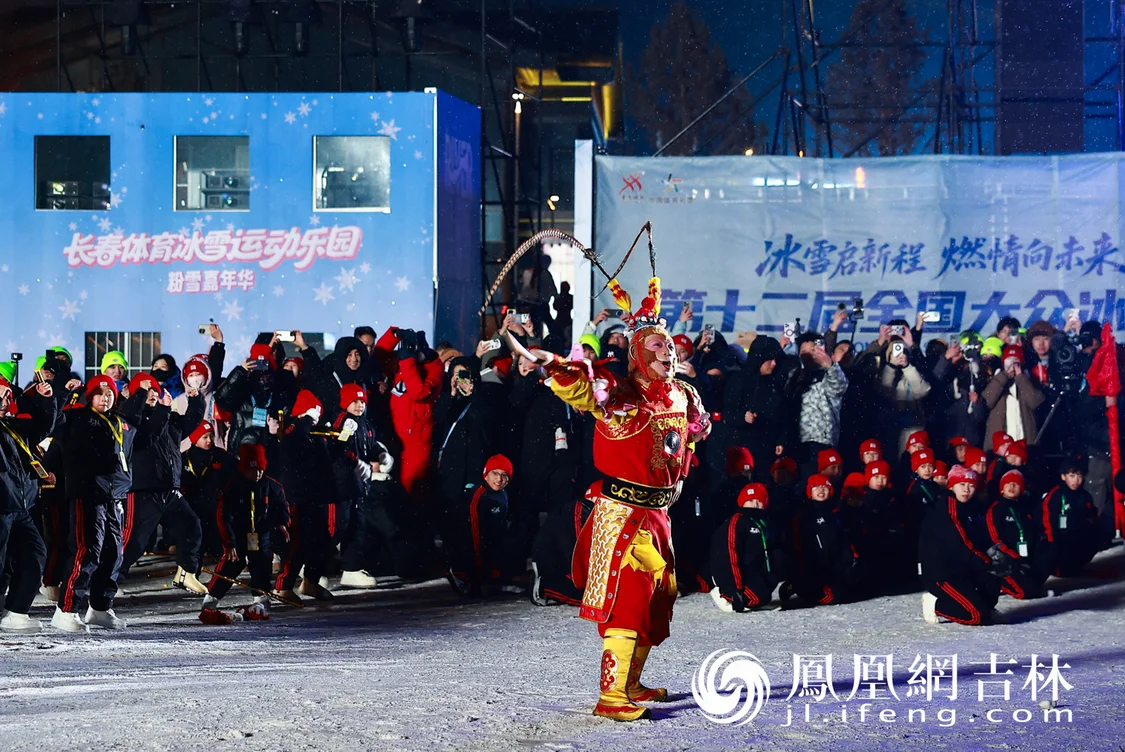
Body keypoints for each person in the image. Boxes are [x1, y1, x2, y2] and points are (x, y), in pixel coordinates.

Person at [534, 282, 710, 721]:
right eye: (657, 346)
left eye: (669, 346)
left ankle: (631, 682)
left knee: (658, 598)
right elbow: (583, 390)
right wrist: (559, 367)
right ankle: (611, 695)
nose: (668, 352)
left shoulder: (683, 393)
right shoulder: (621, 394)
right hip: (624, 514)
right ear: (637, 354)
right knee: (628, 598)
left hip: (660, 513)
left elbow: (693, 434)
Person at [53, 376, 149, 632]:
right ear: (90, 395)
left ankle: (99, 608)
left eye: (110, 394)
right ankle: (66, 610)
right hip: (87, 492)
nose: (105, 398)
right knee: (87, 551)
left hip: (114, 494)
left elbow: (144, 431)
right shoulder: (78, 418)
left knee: (113, 553)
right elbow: (53, 422)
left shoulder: (120, 421)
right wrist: (63, 393)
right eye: (100, 393)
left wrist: (143, 398)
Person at [120, 372, 207, 594]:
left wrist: (195, 399)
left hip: (169, 488)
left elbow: (191, 421)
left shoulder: (168, 416)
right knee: (133, 542)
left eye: (154, 391)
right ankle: (107, 580)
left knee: (191, 526)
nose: (152, 394)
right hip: (142, 490)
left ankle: (186, 573)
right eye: (146, 391)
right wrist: (157, 407)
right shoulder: (130, 418)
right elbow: (144, 433)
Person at [200, 444, 289, 624]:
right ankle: (212, 598)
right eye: (252, 470)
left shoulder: (272, 486)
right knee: (231, 564)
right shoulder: (234, 487)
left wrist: (281, 523)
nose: (257, 474)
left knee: (262, 563)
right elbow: (224, 516)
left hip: (260, 534)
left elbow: (281, 506)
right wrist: (229, 542)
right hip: (238, 534)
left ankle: (260, 597)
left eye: (260, 470)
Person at [0, 375, 57, 633]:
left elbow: (42, 428)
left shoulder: (12, 426)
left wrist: (47, 400)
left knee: (35, 554)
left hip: (20, 506)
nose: (4, 402)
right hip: (3, 505)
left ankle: (16, 612)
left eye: (6, 396)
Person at [918, 465, 1009, 626]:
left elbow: (980, 536)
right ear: (951, 486)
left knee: (994, 573)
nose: (966, 490)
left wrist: (994, 553)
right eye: (962, 484)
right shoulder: (947, 505)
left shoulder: (969, 507)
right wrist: (983, 560)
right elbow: (959, 542)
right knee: (975, 616)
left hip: (962, 568)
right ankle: (935, 604)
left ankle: (987, 608)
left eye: (971, 485)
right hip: (943, 574)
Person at [274, 390, 340, 601]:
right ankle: (284, 586)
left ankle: (311, 581)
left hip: (316, 494)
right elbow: (293, 447)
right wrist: (306, 423)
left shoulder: (314, 434)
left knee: (322, 539)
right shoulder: (294, 432)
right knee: (297, 542)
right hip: (298, 495)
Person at [709, 483, 789, 612]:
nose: (755, 504)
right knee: (755, 599)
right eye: (750, 501)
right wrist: (734, 589)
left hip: (756, 572)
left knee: (780, 558)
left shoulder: (764, 522)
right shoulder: (737, 522)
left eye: (759, 501)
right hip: (738, 576)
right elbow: (729, 555)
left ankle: (758, 595)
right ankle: (724, 594)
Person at [445, 455, 514, 596]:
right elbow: (472, 532)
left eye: (504, 475)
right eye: (495, 473)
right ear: (486, 474)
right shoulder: (479, 495)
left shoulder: (502, 494)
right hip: (471, 542)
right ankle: (464, 576)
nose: (499, 479)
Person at [788, 474, 862, 606]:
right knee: (832, 597)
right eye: (816, 487)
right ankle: (799, 587)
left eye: (824, 487)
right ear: (810, 492)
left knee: (850, 592)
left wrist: (850, 557)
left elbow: (843, 538)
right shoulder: (804, 514)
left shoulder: (835, 512)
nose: (821, 490)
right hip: (814, 565)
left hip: (834, 564)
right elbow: (798, 543)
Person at [788, 332, 848, 478]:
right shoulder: (795, 376)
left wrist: (829, 365)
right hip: (797, 441)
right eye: (803, 351)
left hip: (822, 442)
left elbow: (839, 385)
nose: (808, 355)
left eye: (812, 350)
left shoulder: (829, 375)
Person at [984, 470, 1048, 599]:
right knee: (1025, 592)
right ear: (1002, 489)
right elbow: (995, 539)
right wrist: (1014, 557)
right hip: (1005, 559)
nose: (1012, 486)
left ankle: (1030, 580)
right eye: (1008, 483)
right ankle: (999, 582)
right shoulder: (996, 509)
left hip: (1025, 556)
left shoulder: (1025, 507)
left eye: (1016, 484)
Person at [1040, 455, 1100, 576]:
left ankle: (1077, 566)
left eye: (1079, 476)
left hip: (1077, 535)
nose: (1076, 480)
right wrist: (1051, 542)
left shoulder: (1084, 495)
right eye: (1072, 476)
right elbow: (1046, 520)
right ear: (1063, 476)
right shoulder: (1055, 495)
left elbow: (1091, 515)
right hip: (1059, 538)